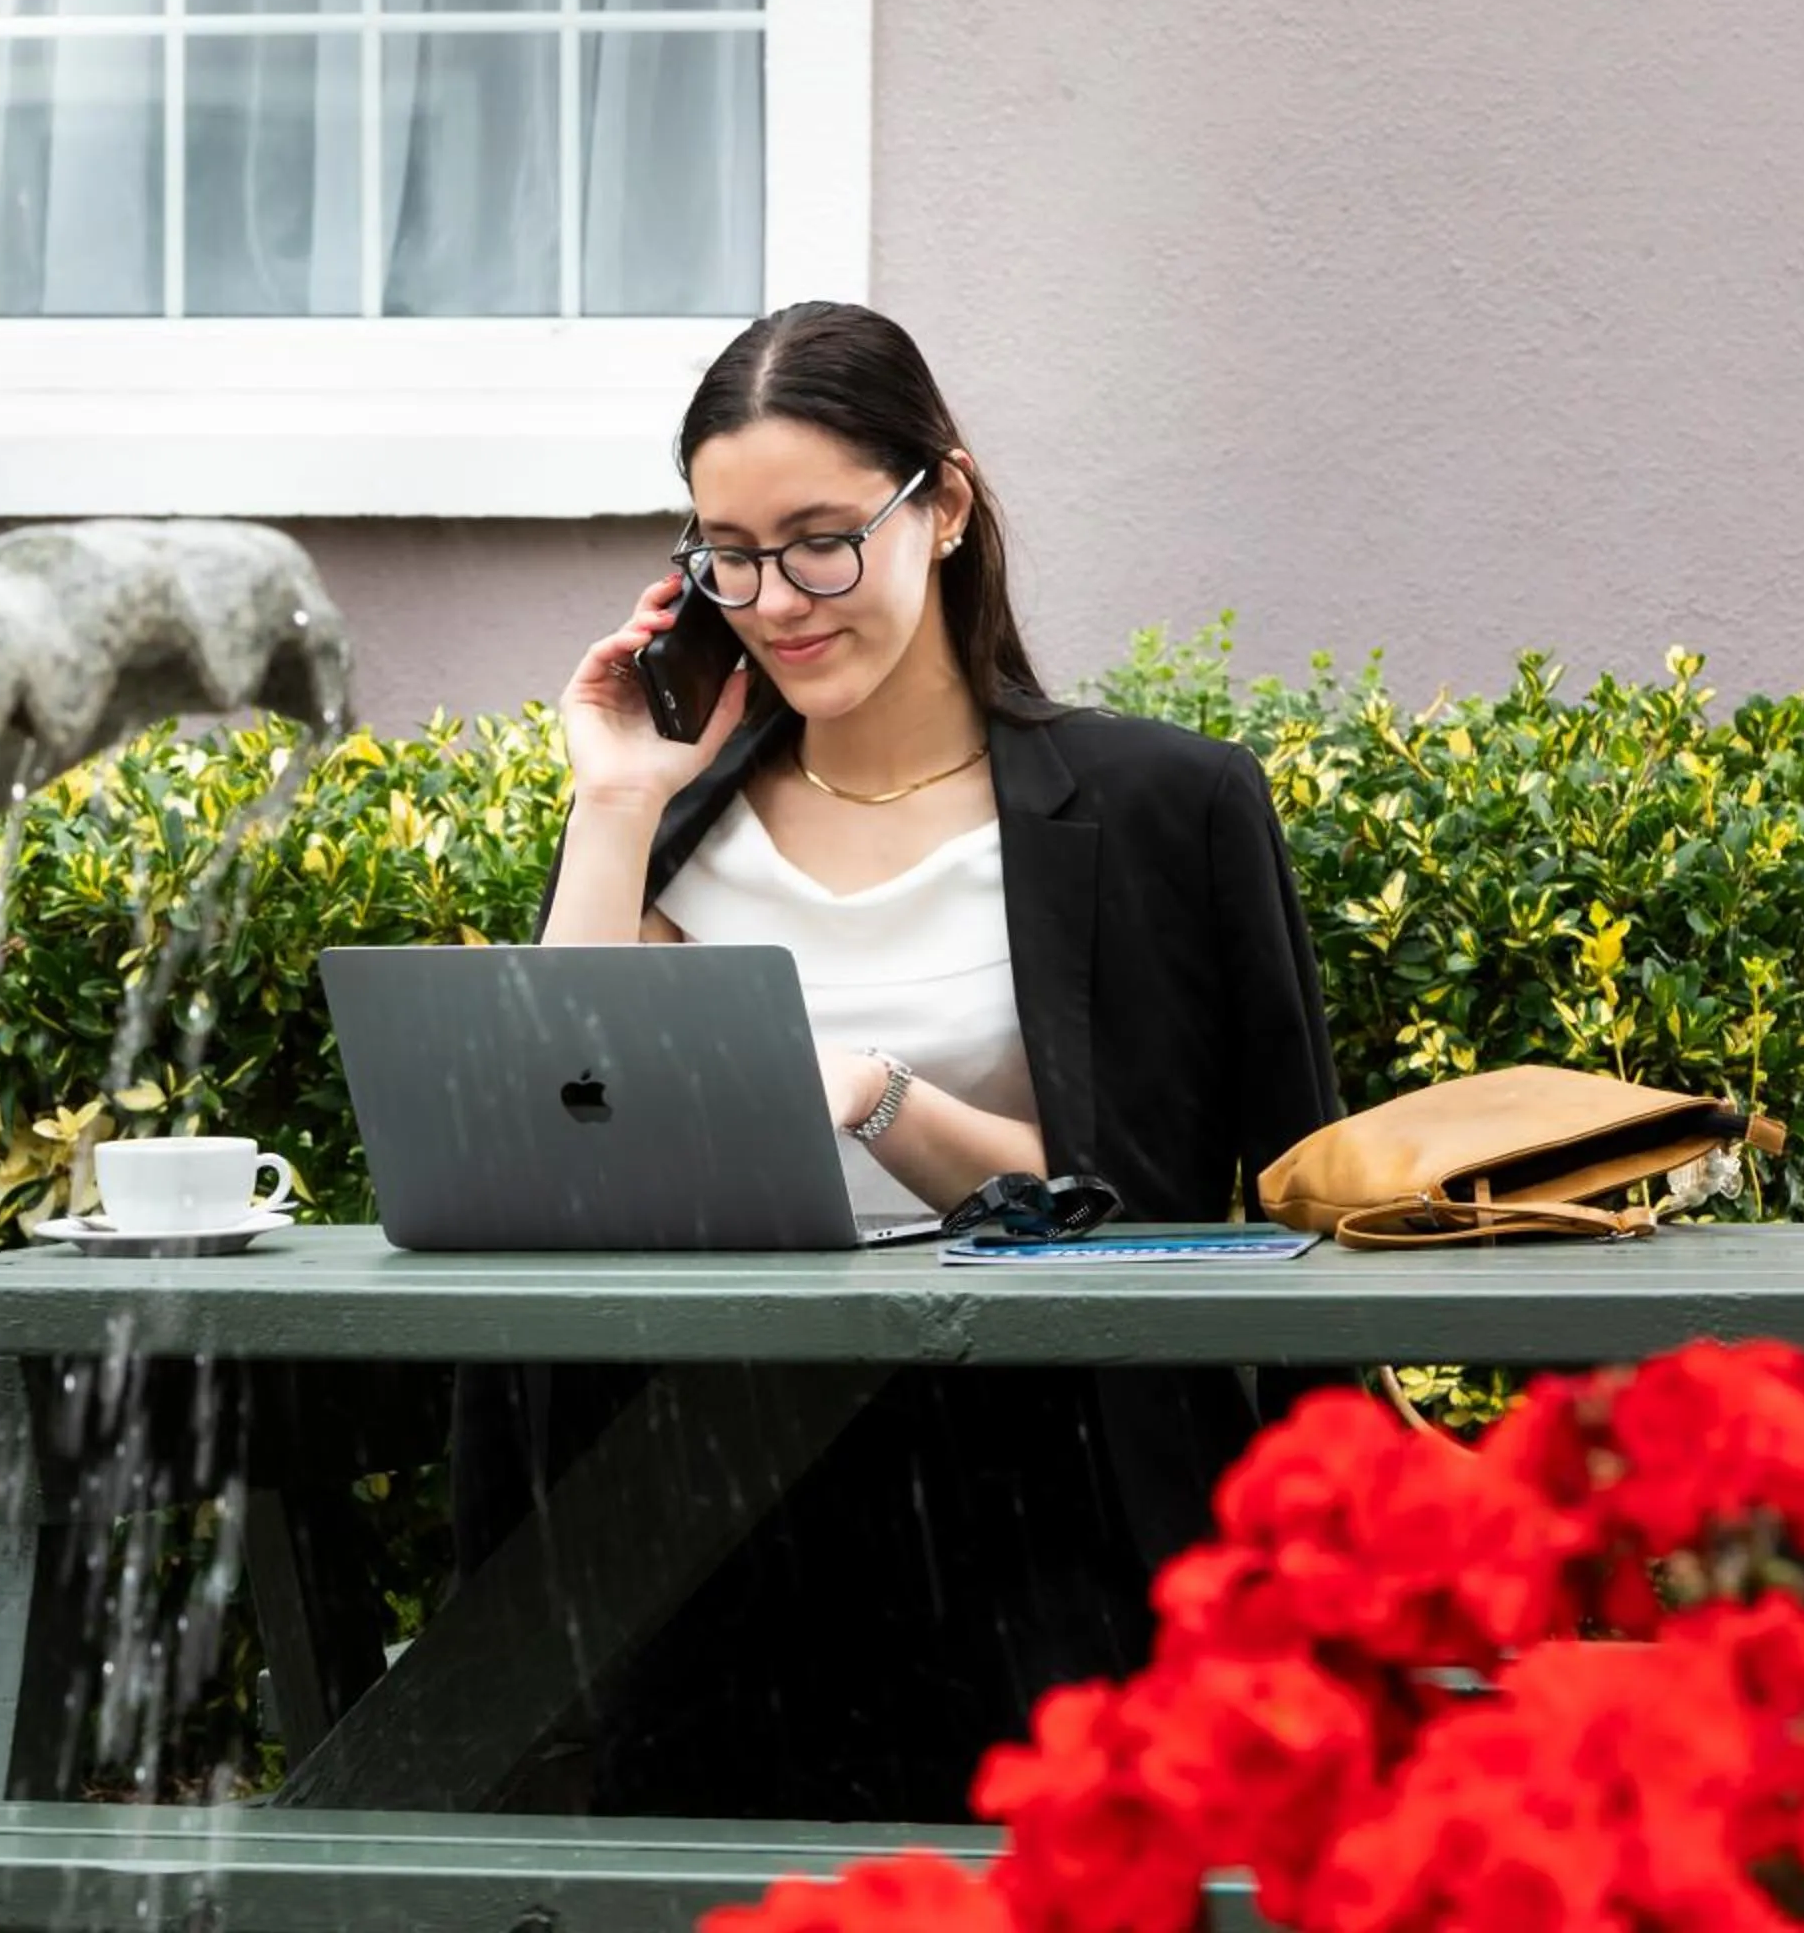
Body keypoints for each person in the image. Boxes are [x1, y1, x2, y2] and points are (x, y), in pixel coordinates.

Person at [449, 300, 1343, 1822]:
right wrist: (610, 802)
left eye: (819, 538)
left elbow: (1192, 1216)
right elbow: (560, 1157)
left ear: (944, 505)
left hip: (1044, 1491)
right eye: (726, 553)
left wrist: (863, 1092)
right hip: (717, 1505)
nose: (777, 599)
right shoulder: (672, 830)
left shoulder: (1161, 809)